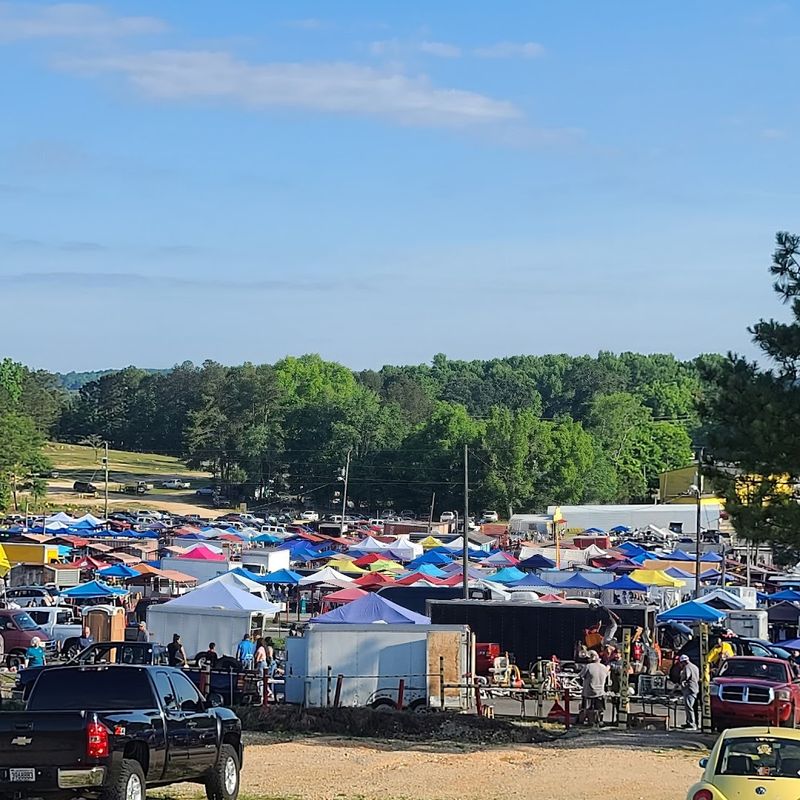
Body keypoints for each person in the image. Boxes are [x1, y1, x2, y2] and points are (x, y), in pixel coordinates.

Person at [580, 650, 609, 723]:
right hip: (600, 692)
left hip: (588, 692)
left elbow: (581, 676)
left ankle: (587, 720)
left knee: (586, 708)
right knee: (599, 709)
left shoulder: (588, 666)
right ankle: (599, 721)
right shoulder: (604, 667)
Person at [679, 654, 701, 731]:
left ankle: (692, 724)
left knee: (689, 707)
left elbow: (686, 676)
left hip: (689, 689)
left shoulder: (687, 667)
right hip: (695, 688)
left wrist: (682, 680)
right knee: (691, 707)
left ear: (683, 662)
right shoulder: (695, 667)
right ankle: (689, 722)